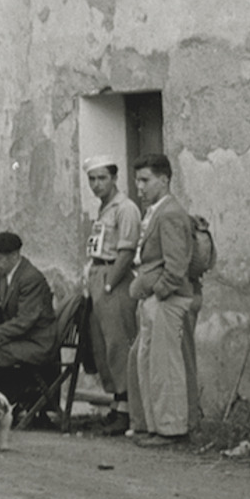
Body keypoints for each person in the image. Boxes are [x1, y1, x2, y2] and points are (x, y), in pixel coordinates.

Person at [127, 154, 196, 447]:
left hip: (167, 300)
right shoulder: (156, 211)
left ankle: (172, 429)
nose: (139, 187)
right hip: (154, 298)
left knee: (166, 366)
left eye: (145, 180)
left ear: (164, 179)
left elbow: (176, 265)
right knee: (149, 363)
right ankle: (155, 426)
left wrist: (159, 292)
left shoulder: (169, 213)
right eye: (137, 181)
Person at [83, 156, 142, 437]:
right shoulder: (103, 208)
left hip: (114, 279)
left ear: (114, 179)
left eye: (102, 178)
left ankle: (129, 408)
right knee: (103, 345)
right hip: (98, 275)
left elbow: (126, 251)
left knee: (119, 343)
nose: (96, 185)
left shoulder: (125, 208)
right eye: (92, 179)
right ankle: (117, 405)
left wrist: (110, 284)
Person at [0, 232, 59, 410]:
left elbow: (25, 321)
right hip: (22, 339)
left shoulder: (30, 278)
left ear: (15, 255)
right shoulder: (5, 272)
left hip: (37, 342)